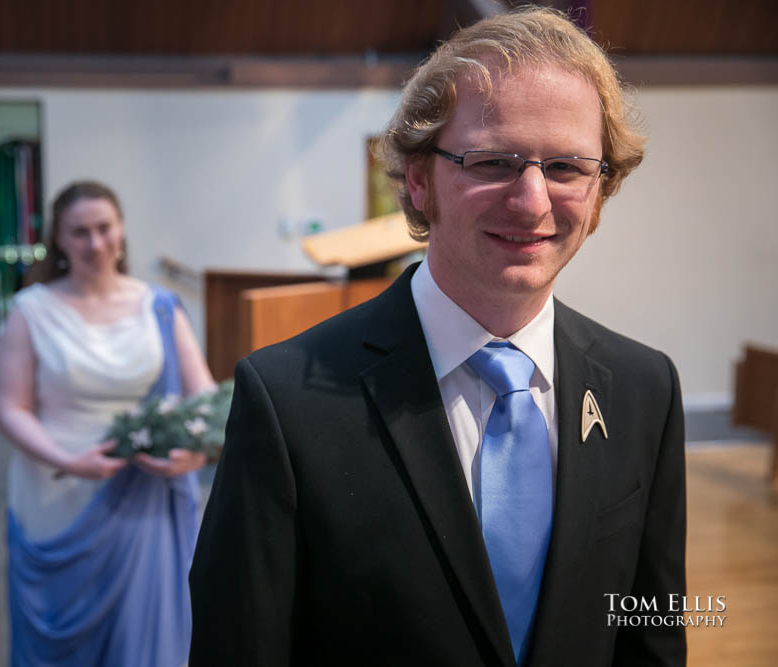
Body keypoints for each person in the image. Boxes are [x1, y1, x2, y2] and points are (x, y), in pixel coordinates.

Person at [189, 7, 685, 667]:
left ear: (600, 191)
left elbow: (650, 632)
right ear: (419, 179)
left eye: (566, 167)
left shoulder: (644, 389)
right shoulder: (287, 401)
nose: (533, 199)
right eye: (494, 160)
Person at [0, 180, 214, 665]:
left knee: (143, 637)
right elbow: (11, 408)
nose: (94, 243)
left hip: (145, 491)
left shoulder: (159, 306)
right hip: (57, 485)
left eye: (103, 229)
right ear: (59, 238)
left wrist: (194, 455)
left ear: (121, 231)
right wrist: (68, 461)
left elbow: (205, 399)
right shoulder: (31, 311)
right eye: (79, 232)